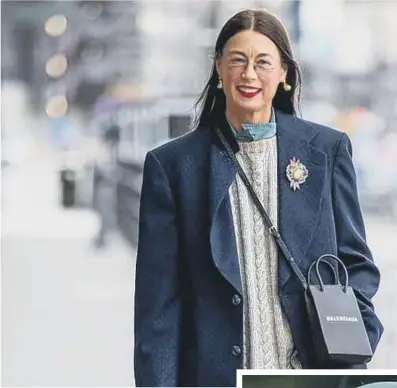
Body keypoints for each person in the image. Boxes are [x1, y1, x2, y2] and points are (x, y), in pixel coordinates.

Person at [133, 9, 383, 387]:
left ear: (284, 73)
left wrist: (352, 336)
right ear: (218, 70)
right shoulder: (172, 168)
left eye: (263, 62)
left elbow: (356, 264)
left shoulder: (327, 152)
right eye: (237, 60)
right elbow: (158, 311)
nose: (249, 74)